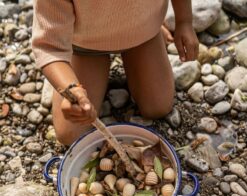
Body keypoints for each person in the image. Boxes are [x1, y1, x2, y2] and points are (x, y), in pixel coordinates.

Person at [32, 0, 199, 146]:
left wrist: (184, 21)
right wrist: (70, 87)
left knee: (158, 107)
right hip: (85, 44)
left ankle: (153, 30)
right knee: (71, 133)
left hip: (143, 32)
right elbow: (49, 47)